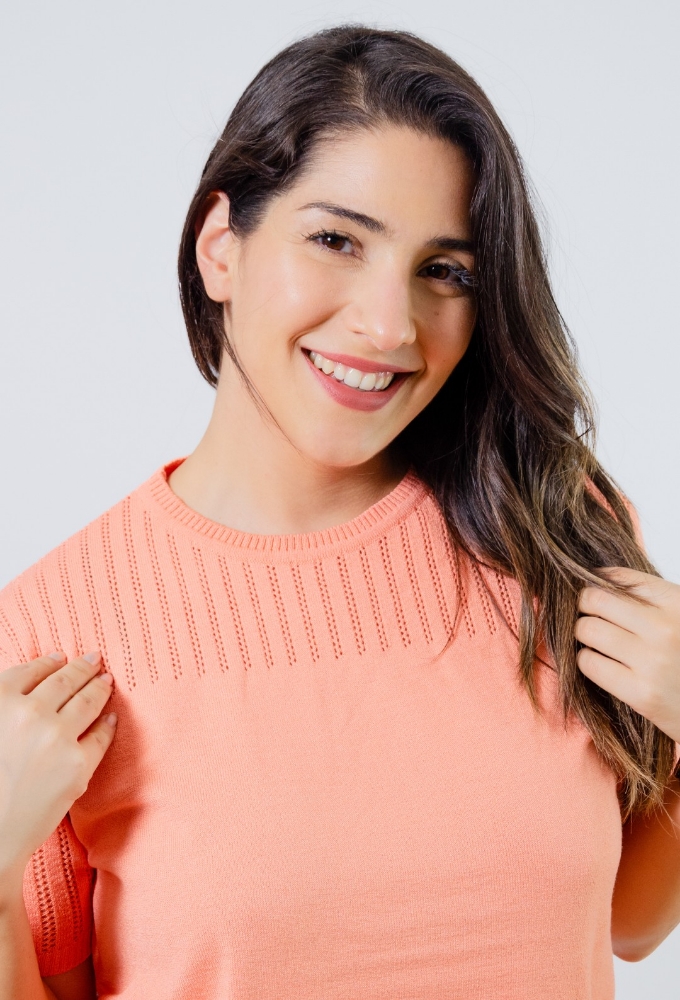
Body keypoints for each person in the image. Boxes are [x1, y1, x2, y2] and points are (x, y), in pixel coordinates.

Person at [1, 23, 679, 1000]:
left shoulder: (549, 527)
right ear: (220, 247)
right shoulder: (51, 636)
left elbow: (626, 919)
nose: (389, 324)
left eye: (444, 271)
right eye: (336, 241)